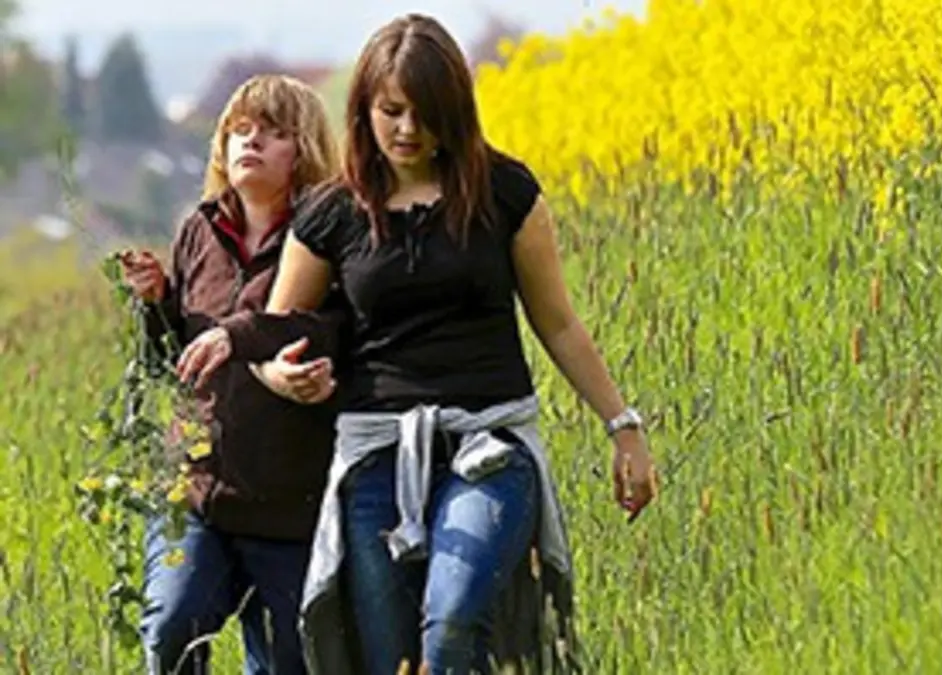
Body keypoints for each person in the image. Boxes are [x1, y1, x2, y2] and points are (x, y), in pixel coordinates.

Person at [175, 13, 658, 675]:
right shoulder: (332, 213)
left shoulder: (505, 193)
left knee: (454, 618)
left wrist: (623, 426)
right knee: (390, 658)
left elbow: (560, 324)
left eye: (426, 114)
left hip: (491, 445)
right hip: (373, 455)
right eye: (391, 110)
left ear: (454, 111)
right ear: (364, 107)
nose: (407, 130)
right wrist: (274, 374)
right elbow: (278, 325)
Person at [117, 73, 347, 675]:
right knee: (170, 635)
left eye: (273, 133)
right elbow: (169, 363)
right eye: (239, 131)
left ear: (304, 151)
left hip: (289, 505)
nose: (251, 143)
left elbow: (335, 332)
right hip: (198, 494)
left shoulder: (327, 234)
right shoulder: (198, 229)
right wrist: (155, 303)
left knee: (287, 663)